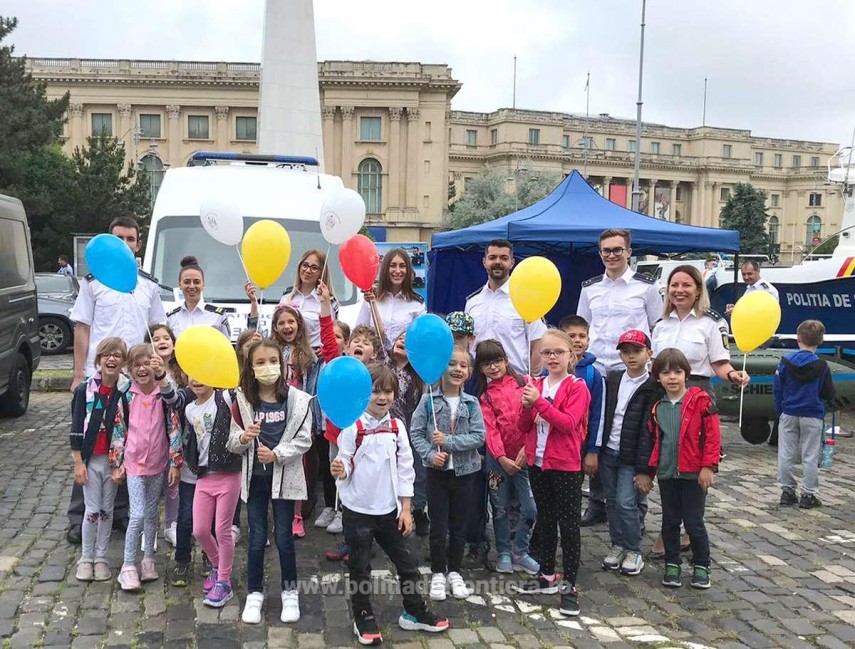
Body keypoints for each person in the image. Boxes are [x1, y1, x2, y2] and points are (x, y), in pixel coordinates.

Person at [331, 364, 449, 645]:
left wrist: (406, 509)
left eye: (388, 392)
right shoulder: (353, 427)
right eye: (375, 392)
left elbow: (406, 467)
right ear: (363, 394)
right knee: (360, 566)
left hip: (389, 511)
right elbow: (345, 460)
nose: (382, 398)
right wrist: (341, 469)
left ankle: (414, 610)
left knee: (408, 564)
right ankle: (363, 613)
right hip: (358, 511)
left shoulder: (397, 427)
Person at [67, 216, 167, 544]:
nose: (125, 244)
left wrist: (156, 370)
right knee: (88, 441)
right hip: (100, 378)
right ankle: (80, 516)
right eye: (118, 238)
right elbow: (82, 327)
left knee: (127, 442)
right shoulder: (93, 283)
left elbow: (156, 333)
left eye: (131, 238)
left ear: (139, 244)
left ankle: (120, 511)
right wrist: (78, 374)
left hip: (132, 379)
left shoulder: (148, 285)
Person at [229, 339, 313, 624]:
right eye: (261, 362)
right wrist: (243, 438)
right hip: (254, 481)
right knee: (255, 537)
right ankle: (255, 593)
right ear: (251, 368)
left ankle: (290, 593)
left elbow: (304, 440)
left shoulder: (298, 400)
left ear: (282, 363)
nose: (268, 367)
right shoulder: (241, 400)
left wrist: (277, 454)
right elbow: (231, 440)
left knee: (285, 538)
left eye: (273, 361)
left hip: (285, 480)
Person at [511, 329, 590, 618]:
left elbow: (568, 423)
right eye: (546, 352)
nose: (552, 357)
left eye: (559, 352)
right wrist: (527, 406)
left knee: (569, 526)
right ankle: (546, 575)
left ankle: (570, 585)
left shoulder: (576, 386)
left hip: (565, 464)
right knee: (545, 519)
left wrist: (539, 403)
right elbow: (523, 426)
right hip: (538, 461)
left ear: (572, 355)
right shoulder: (538, 384)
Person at [411, 347, 485, 602]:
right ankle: (438, 573)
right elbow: (416, 433)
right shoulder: (427, 400)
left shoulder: (472, 403)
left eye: (463, 366)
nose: (457, 369)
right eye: (452, 364)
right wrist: (431, 455)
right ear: (441, 368)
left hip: (465, 474)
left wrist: (449, 442)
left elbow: (478, 437)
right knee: (438, 526)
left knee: (459, 525)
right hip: (437, 473)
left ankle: (455, 571)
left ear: (469, 372)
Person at [643, 348, 720, 590]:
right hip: (668, 473)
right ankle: (672, 564)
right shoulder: (659, 407)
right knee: (669, 521)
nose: (672, 378)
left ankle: (701, 565)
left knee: (694, 522)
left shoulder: (701, 401)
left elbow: (712, 437)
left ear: (687, 374)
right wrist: (649, 471)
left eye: (677, 372)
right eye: (666, 373)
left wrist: (708, 467)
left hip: (693, 474)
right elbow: (657, 441)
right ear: (658, 378)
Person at [316, 282, 381, 559]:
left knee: (365, 487)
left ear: (373, 354)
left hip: (366, 441)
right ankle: (346, 530)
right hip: (337, 437)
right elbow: (328, 338)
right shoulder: (337, 363)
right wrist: (325, 303)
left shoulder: (377, 374)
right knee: (342, 481)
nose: (359, 345)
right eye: (356, 341)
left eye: (366, 344)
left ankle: (368, 540)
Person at [112, 344, 182, 592]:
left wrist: (175, 462)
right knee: (138, 514)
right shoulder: (126, 397)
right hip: (133, 464)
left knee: (152, 514)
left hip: (158, 463)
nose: (142, 369)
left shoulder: (163, 398)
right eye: (136, 365)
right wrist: (117, 463)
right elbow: (119, 431)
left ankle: (149, 559)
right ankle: (128, 564)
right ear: (130, 369)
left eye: (146, 364)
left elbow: (174, 430)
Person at [474, 339, 539, 576]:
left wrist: (525, 450)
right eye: (486, 363)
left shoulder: (525, 383)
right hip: (497, 463)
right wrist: (501, 458)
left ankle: (520, 550)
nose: (493, 367)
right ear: (480, 369)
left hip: (525, 458)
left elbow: (534, 420)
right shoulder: (486, 396)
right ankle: (503, 551)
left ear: (506, 360)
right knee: (499, 508)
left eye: (497, 361)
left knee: (530, 508)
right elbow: (490, 430)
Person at [599, 330, 661, 577]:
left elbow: (651, 431)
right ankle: (618, 544)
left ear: (649, 353)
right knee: (612, 502)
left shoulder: (653, 386)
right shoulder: (613, 379)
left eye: (636, 351)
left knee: (627, 503)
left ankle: (634, 548)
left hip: (632, 457)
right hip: (609, 450)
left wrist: (645, 469)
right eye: (625, 351)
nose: (631, 356)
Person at [70, 337, 130, 582]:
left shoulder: (126, 391)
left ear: (123, 361)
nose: (111, 359)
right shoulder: (86, 389)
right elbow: (76, 427)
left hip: (113, 461)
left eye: (117, 355)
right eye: (107, 355)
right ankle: (86, 558)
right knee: (92, 510)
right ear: (99, 359)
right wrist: (78, 462)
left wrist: (123, 464)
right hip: (91, 459)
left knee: (107, 510)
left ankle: (101, 556)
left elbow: (132, 428)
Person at [184, 376, 243, 608]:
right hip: (204, 476)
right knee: (199, 529)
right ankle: (218, 565)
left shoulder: (225, 398)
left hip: (228, 473)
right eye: (192, 375)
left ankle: (224, 582)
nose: (197, 380)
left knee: (222, 530)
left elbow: (241, 393)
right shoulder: (190, 409)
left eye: (202, 374)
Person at [652, 265, 750, 397]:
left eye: (686, 285)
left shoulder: (713, 323)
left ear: (698, 290)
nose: (679, 290)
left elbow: (720, 364)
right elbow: (653, 365)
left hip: (697, 393)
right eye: (674, 285)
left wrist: (733, 375)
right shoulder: (661, 325)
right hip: (661, 393)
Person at [577, 229, 662, 376]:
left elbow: (658, 329)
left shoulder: (647, 287)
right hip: (596, 368)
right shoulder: (589, 288)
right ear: (600, 254)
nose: (611, 255)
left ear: (628, 253)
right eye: (606, 251)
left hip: (631, 369)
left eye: (617, 250)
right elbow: (582, 327)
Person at [773, 320, 836, 509]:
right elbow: (828, 393)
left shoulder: (785, 362)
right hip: (812, 414)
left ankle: (787, 491)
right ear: (820, 341)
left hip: (789, 412)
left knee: (786, 453)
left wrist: (780, 410)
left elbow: (777, 388)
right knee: (810, 455)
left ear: (798, 338)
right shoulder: (822, 366)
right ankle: (808, 494)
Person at [465, 239, 546, 376]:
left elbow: (537, 344)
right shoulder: (472, 302)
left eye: (503, 258)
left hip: (515, 382)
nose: (498, 262)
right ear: (484, 262)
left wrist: (532, 381)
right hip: (478, 383)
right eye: (492, 257)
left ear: (512, 262)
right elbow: (467, 343)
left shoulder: (525, 300)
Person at [559, 315, 606, 528]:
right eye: (571, 336)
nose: (577, 340)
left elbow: (598, 414)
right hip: (552, 445)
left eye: (582, 336)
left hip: (579, 446)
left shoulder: (593, 375)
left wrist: (593, 451)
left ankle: (569, 526)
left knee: (572, 490)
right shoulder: (549, 369)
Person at [389, 332, 428, 536]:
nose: (402, 340)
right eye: (399, 337)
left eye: (408, 338)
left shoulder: (419, 374)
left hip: (411, 428)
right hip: (387, 428)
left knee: (416, 469)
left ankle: (417, 510)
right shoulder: (385, 367)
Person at [357, 248, 426, 351]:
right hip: (374, 364)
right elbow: (359, 332)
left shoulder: (416, 304)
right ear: (385, 269)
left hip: (402, 364)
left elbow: (421, 340)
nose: (397, 271)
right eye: (392, 266)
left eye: (402, 266)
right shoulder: (371, 299)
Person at [279, 249, 339, 347]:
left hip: (314, 358)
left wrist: (324, 349)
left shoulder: (327, 300)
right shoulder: (286, 296)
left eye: (314, 268)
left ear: (322, 272)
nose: (307, 271)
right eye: (305, 265)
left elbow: (332, 335)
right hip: (287, 355)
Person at [166, 256, 232, 337]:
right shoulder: (171, 318)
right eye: (187, 282)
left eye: (196, 282)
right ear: (180, 285)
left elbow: (226, 346)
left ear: (203, 284)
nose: (192, 286)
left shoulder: (218, 316)